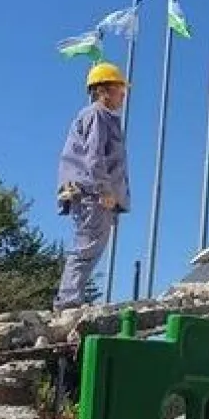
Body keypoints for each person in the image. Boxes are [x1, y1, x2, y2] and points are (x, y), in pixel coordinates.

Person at [54, 62, 130, 309]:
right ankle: (68, 302)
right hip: (92, 193)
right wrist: (104, 190)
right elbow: (94, 155)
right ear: (103, 90)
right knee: (87, 247)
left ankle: (70, 299)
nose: (123, 94)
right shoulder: (97, 115)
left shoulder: (101, 117)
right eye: (119, 88)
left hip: (92, 192)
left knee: (91, 247)